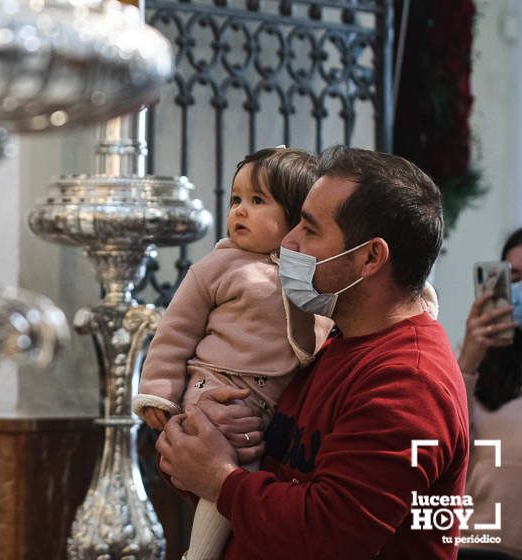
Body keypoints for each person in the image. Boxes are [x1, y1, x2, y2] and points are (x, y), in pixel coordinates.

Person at [156, 146, 469, 559]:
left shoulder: (408, 381)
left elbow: (328, 535)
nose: (288, 241)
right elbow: (270, 488)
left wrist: (219, 478)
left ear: (370, 257)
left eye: (309, 228)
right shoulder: (330, 341)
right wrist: (215, 432)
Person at [133, 147, 333, 560]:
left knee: (254, 481)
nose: (240, 211)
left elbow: (322, 328)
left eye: (258, 201)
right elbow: (174, 333)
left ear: (297, 216)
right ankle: (198, 555)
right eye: (236, 200)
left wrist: (417, 291)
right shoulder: (220, 266)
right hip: (215, 386)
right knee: (230, 473)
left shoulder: (309, 275)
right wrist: (158, 392)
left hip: (268, 401)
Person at [457, 229, 522, 559]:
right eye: (513, 278)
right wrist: (469, 359)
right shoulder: (476, 365)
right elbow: (448, 451)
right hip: (472, 545)